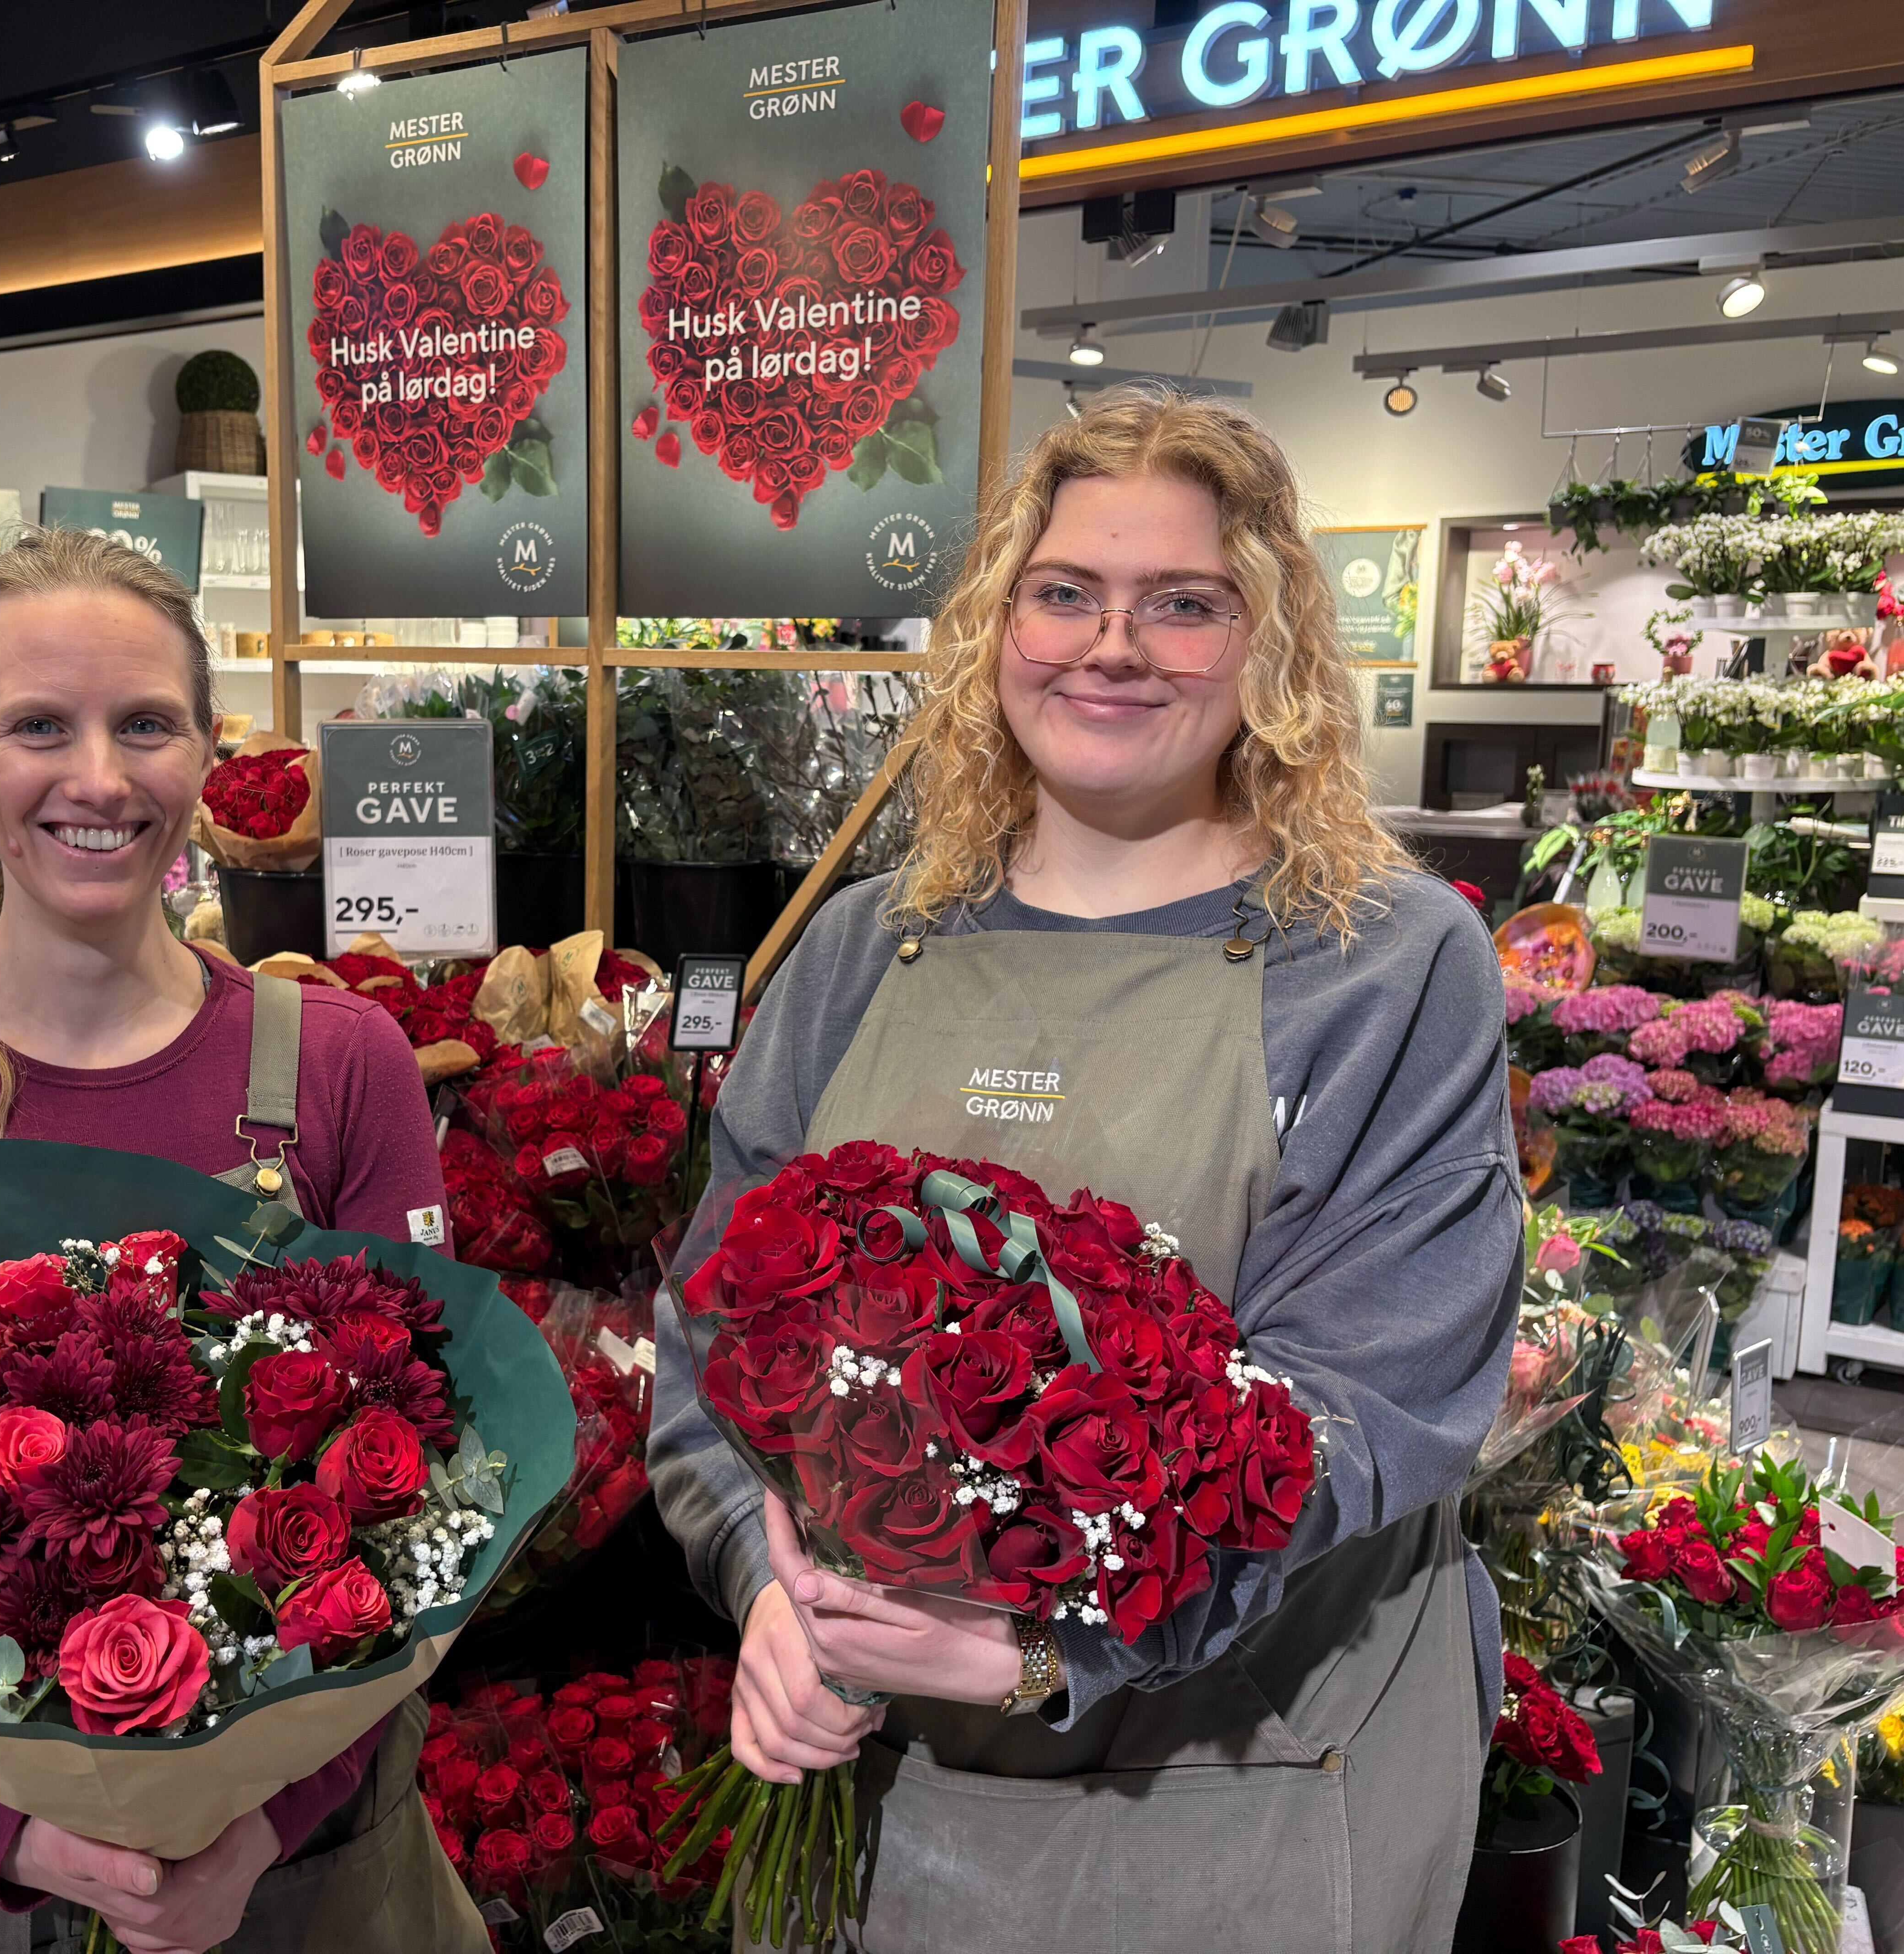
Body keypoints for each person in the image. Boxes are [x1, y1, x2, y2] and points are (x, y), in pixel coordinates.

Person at [648, 388, 1521, 1951]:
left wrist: (1055, 1651)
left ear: (1267, 650)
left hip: (1228, 1787)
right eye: (1063, 594)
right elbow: (708, 1345)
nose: (1111, 646)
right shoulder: (862, 948)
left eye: (1182, 604)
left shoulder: (1383, 968)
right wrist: (764, 1586)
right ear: (999, 628)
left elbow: (1365, 1415)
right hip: (869, 1775)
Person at [0, 528, 484, 1954]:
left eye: (145, 725)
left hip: (282, 1868)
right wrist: (1, 1832)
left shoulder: (338, 1068)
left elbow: (437, 1509)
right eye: (36, 728)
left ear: (205, 750)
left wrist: (255, 1822)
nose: (100, 779)